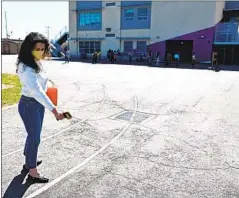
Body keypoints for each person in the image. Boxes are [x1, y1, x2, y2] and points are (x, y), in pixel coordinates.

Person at [16, 32, 65, 183]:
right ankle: (32, 172)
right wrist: (55, 111)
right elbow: (36, 91)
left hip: (37, 105)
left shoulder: (35, 62)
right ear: (29, 48)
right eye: (37, 49)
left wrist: (49, 86)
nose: (41, 52)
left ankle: (29, 161)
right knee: (35, 138)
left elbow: (42, 82)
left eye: (43, 49)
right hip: (29, 105)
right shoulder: (25, 67)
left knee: (33, 136)